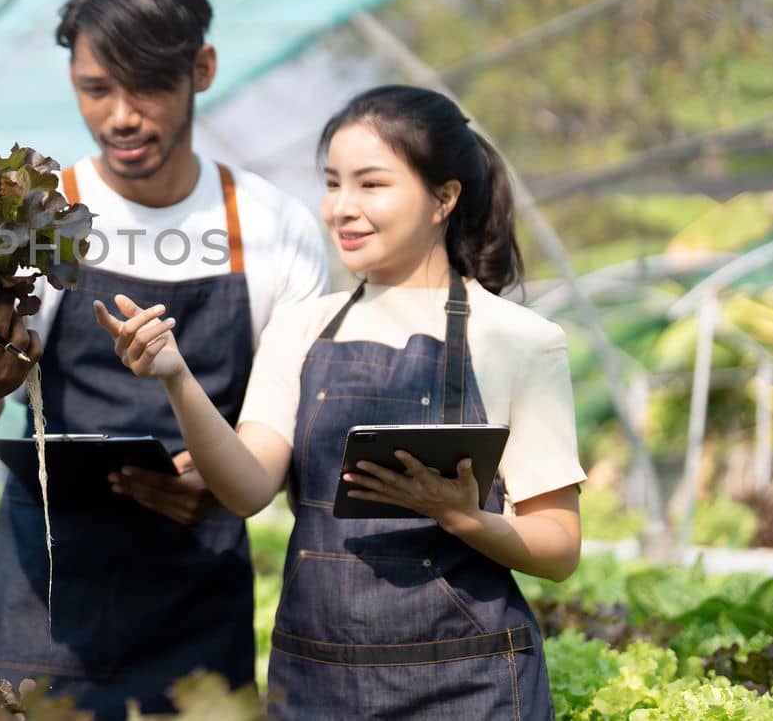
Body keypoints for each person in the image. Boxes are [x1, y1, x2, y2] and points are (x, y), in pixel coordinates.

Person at [95, 84, 584, 720]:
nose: (341, 209)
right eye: (332, 184)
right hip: (317, 679)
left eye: (371, 185)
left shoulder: (518, 340)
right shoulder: (300, 328)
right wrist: (176, 376)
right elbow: (245, 489)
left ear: (445, 197)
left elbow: (559, 545)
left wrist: (463, 518)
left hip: (469, 684)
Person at [0, 0, 327, 718]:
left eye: (145, 85)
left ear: (201, 69)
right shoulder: (35, 216)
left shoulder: (275, 230)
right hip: (45, 592)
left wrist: (229, 480)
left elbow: (287, 422)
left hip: (196, 594)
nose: (119, 116)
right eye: (95, 88)